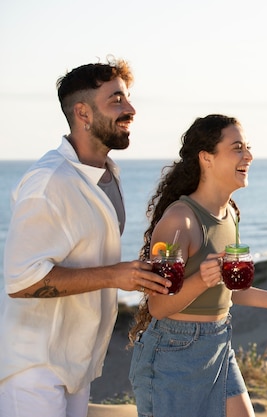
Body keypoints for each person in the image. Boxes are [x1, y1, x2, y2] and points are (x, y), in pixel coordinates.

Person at [0, 58, 171, 417]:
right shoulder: (49, 182)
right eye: (117, 101)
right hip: (34, 367)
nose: (131, 110)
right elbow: (20, 280)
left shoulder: (108, 174)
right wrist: (115, 275)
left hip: (78, 362)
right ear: (83, 113)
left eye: (128, 99)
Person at [128, 114, 267, 417]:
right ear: (206, 158)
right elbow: (159, 306)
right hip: (174, 351)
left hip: (218, 343)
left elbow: (227, 289)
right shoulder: (180, 221)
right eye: (237, 147)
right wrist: (202, 279)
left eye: (247, 147)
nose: (248, 156)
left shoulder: (230, 214)